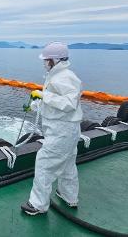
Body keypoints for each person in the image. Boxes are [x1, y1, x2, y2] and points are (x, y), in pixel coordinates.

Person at [21, 42, 83, 215]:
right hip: (65, 130)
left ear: (54, 60)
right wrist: (33, 106)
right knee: (68, 166)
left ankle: (38, 205)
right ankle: (68, 196)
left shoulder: (65, 77)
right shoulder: (56, 76)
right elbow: (54, 102)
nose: (44, 63)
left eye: (46, 60)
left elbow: (69, 103)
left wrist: (43, 95)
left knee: (44, 165)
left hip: (61, 131)